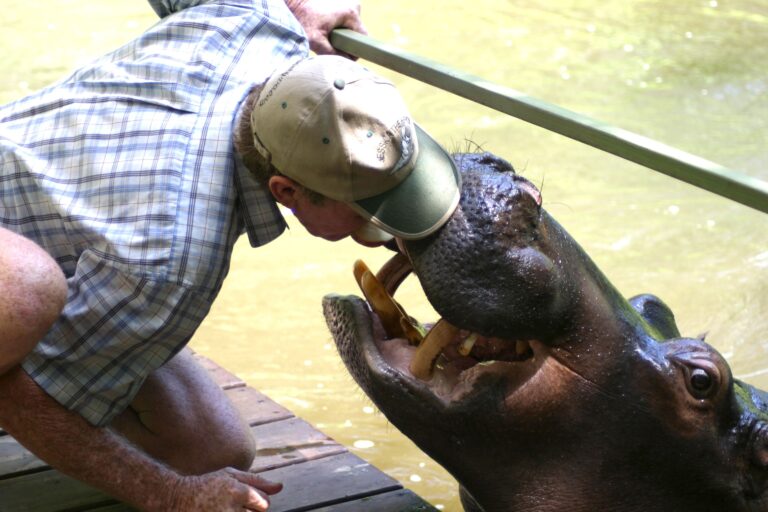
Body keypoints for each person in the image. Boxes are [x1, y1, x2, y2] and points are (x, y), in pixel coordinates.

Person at [0, 0, 460, 510]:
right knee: (25, 290)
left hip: (60, 230)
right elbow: (27, 393)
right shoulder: (175, 262)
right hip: (24, 264)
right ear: (286, 193)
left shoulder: (258, 17)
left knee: (213, 450)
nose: (382, 227)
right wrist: (172, 495)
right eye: (366, 209)